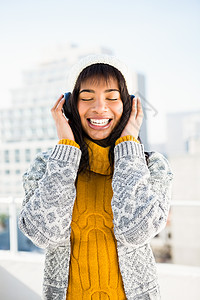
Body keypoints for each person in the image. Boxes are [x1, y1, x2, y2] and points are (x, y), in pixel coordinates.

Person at [18, 54, 173, 300]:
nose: (99, 108)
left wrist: (128, 144)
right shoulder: (47, 165)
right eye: (87, 97)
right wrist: (66, 148)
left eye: (112, 97)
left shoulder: (151, 165)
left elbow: (134, 232)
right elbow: (43, 234)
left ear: (128, 106)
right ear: (70, 106)